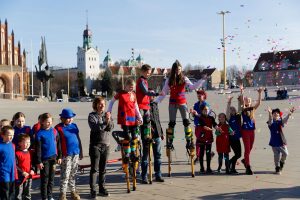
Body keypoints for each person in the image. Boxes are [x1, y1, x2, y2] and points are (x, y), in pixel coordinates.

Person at [156, 60, 206, 153]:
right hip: (172, 103)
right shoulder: (169, 80)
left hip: (182, 102)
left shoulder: (184, 78)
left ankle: (188, 142)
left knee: (186, 122)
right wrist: (156, 101)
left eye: (179, 69)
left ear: (181, 69)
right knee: (172, 123)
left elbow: (192, 87)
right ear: (173, 69)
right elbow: (164, 92)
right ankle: (170, 142)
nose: (178, 71)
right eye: (176, 69)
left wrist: (202, 80)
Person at [107, 78, 143, 161]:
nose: (131, 88)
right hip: (124, 118)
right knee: (127, 136)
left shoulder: (133, 94)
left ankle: (133, 153)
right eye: (130, 87)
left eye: (132, 87)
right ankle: (127, 154)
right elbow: (111, 101)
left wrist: (140, 117)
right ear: (125, 86)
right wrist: (109, 111)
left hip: (133, 118)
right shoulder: (120, 93)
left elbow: (136, 106)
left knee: (134, 136)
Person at [136, 64, 160, 184]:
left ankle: (146, 135)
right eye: (147, 72)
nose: (149, 74)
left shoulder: (145, 80)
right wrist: (155, 94)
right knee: (142, 126)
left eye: (150, 72)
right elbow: (145, 92)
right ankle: (141, 136)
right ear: (143, 71)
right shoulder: (141, 80)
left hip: (146, 108)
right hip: (141, 107)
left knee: (148, 125)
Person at [88, 97, 114, 198]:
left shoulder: (107, 114)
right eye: (100, 104)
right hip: (95, 146)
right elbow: (95, 128)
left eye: (103, 104)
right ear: (95, 105)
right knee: (94, 169)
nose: (102, 106)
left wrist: (107, 120)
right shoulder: (92, 115)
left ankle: (102, 188)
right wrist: (106, 122)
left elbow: (110, 127)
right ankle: (93, 190)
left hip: (106, 145)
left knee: (103, 169)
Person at [55, 109, 83, 200]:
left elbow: (78, 139)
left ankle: (73, 191)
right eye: (67, 118)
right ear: (62, 118)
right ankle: (62, 194)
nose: (70, 119)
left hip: (76, 153)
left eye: (71, 117)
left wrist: (81, 151)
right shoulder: (58, 128)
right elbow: (57, 143)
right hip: (66, 155)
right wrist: (58, 156)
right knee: (65, 175)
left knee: (73, 174)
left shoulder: (74, 126)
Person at [35, 113, 62, 200]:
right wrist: (38, 161)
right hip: (44, 160)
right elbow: (38, 149)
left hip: (53, 159)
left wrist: (60, 156)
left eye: (50, 122)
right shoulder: (39, 134)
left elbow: (58, 145)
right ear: (42, 122)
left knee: (51, 179)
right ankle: (44, 197)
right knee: (45, 180)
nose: (49, 124)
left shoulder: (54, 131)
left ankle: (50, 196)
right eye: (47, 122)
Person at [140, 88, 164, 184]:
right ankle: (144, 176)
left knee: (158, 155)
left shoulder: (155, 104)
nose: (152, 96)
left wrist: (161, 132)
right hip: (146, 133)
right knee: (145, 156)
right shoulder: (143, 106)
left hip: (157, 134)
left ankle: (158, 174)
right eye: (150, 95)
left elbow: (157, 120)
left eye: (153, 95)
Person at [239, 86, 263, 175]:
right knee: (247, 150)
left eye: (249, 100)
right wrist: (241, 91)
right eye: (246, 100)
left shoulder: (252, 109)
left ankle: (245, 160)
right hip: (245, 131)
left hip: (252, 131)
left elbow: (259, 103)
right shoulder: (243, 109)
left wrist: (260, 93)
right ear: (245, 102)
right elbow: (241, 100)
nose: (248, 102)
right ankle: (248, 167)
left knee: (250, 148)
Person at [191, 104, 219, 174]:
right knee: (201, 153)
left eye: (207, 109)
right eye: (204, 110)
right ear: (201, 111)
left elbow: (214, 124)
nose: (206, 111)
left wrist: (218, 128)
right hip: (202, 137)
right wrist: (208, 128)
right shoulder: (200, 118)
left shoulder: (211, 118)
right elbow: (203, 125)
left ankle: (208, 168)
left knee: (208, 153)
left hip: (209, 137)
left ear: (209, 110)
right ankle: (202, 168)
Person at [266, 106, 295, 174]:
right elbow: (270, 121)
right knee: (276, 157)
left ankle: (282, 162)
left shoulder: (280, 122)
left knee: (286, 154)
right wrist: (270, 114)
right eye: (274, 113)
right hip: (274, 143)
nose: (276, 114)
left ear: (279, 116)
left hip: (281, 142)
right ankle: (277, 168)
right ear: (272, 115)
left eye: (277, 114)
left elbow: (285, 120)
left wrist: (289, 114)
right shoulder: (271, 123)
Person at [190, 90, 209, 164]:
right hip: (197, 125)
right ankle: (208, 154)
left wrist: (197, 114)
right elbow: (194, 116)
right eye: (198, 95)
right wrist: (193, 113)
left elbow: (206, 116)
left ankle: (198, 156)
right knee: (200, 141)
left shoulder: (206, 104)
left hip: (203, 126)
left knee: (199, 141)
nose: (199, 97)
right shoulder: (196, 104)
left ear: (204, 96)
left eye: (200, 95)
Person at [15, 134, 35, 200]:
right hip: (20, 177)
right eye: (25, 142)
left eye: (29, 142)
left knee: (28, 192)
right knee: (18, 193)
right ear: (20, 143)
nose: (28, 144)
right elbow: (15, 165)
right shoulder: (17, 153)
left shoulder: (29, 152)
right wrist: (22, 172)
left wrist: (32, 169)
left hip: (28, 176)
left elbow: (30, 163)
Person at [226, 96, 242, 174]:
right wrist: (229, 102)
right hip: (232, 139)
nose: (233, 110)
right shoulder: (229, 118)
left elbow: (239, 109)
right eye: (231, 110)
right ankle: (232, 168)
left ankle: (229, 163)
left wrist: (239, 101)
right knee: (237, 154)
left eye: (233, 109)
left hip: (237, 138)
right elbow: (227, 112)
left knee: (239, 154)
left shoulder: (237, 116)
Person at [0, 126, 16, 200]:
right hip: (3, 174)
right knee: (5, 192)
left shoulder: (12, 145)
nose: (11, 137)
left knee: (11, 192)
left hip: (12, 173)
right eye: (9, 135)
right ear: (2, 135)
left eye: (13, 135)